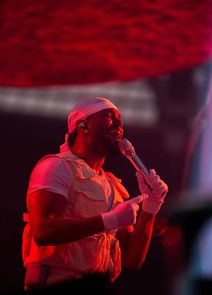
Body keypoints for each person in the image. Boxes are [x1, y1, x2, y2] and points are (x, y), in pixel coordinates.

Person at [22, 97, 168, 293]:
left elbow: (132, 259)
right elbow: (43, 231)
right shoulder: (58, 167)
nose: (119, 124)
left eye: (121, 121)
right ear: (83, 125)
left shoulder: (114, 187)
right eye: (109, 116)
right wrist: (109, 220)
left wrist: (150, 208)